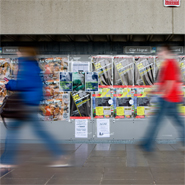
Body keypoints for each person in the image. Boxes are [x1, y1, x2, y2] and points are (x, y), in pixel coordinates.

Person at [0, 47, 68, 168]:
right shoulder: (31, 65)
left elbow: (26, 84)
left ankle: (6, 161)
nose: (17, 53)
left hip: (26, 104)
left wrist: (9, 84)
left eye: (19, 51)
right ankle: (59, 155)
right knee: (39, 132)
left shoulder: (27, 65)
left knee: (13, 132)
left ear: (24, 53)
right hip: (30, 104)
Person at [140, 45, 185, 152]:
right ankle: (147, 143)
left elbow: (170, 82)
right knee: (177, 123)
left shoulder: (169, 64)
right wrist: (154, 91)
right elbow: (164, 82)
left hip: (168, 99)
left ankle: (147, 144)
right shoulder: (168, 64)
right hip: (172, 100)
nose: (159, 54)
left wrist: (163, 95)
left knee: (156, 122)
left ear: (167, 52)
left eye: (161, 52)